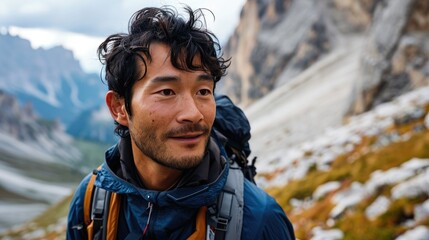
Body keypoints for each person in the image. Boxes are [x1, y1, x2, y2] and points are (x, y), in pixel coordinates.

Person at [67, 5, 295, 240]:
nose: (193, 113)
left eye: (203, 91)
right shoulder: (91, 202)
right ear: (119, 108)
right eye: (167, 92)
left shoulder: (259, 221)